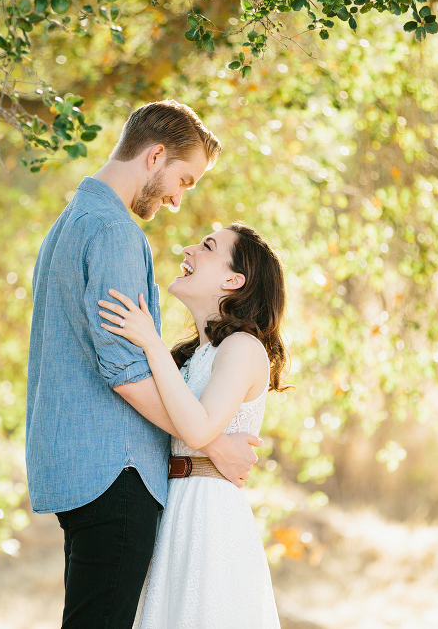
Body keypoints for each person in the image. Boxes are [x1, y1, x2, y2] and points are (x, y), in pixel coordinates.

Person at [25, 100, 262, 629]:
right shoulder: (115, 233)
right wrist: (213, 442)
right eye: (184, 179)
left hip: (82, 468)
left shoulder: (70, 223)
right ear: (155, 155)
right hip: (117, 471)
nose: (179, 200)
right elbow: (127, 374)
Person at [98, 222, 288, 628]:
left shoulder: (243, 347)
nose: (187, 249)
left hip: (210, 514)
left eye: (207, 246)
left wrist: (150, 343)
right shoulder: (191, 356)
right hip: (174, 504)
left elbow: (198, 429)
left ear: (233, 280)